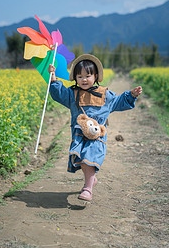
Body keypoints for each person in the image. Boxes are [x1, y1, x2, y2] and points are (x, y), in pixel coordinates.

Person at [48, 54, 142, 201]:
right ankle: (90, 179)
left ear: (96, 76)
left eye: (88, 75)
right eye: (79, 76)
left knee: (88, 158)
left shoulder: (105, 95)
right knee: (83, 160)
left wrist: (131, 95)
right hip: (79, 135)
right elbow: (59, 94)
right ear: (75, 78)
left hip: (97, 136)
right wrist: (53, 77)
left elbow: (119, 101)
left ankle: (87, 189)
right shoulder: (73, 94)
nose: (84, 79)